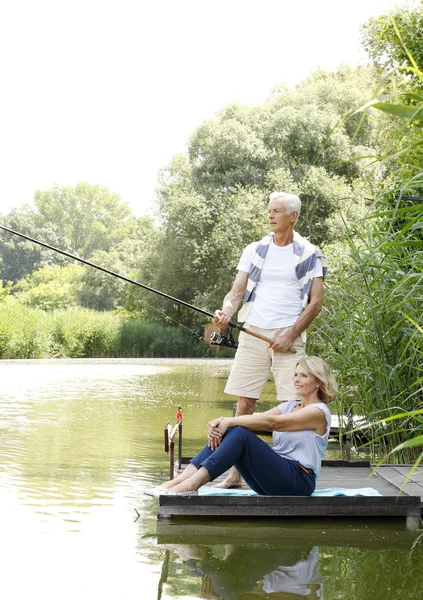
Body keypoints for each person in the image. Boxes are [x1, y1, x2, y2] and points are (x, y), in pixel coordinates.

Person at [213, 191, 326, 488]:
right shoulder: (255, 249)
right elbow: (236, 291)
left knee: (293, 406)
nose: (270, 215)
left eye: (276, 211)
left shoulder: (310, 253)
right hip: (254, 331)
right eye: (269, 210)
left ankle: (287, 468)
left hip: (289, 335)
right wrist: (226, 313)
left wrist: (290, 335)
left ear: (293, 216)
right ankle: (236, 473)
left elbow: (316, 303)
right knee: (244, 404)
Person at [152, 356, 337, 497]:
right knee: (233, 430)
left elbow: (274, 423)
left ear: (318, 382)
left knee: (238, 430)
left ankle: (191, 486)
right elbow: (257, 419)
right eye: (296, 374)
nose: (296, 379)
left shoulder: (318, 412)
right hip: (273, 479)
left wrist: (230, 421)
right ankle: (180, 480)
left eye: (303, 376)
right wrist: (221, 423)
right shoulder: (290, 406)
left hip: (299, 482)